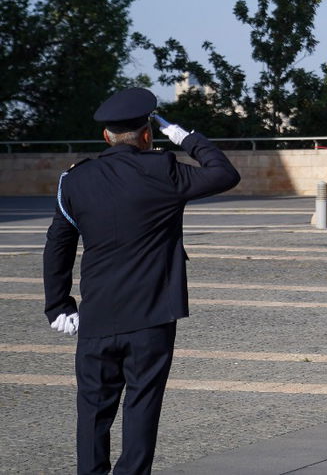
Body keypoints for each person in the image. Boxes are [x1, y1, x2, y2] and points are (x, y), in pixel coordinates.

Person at [43, 86, 241, 475]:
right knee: (141, 408)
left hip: (97, 316)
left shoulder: (75, 180)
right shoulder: (162, 170)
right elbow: (225, 174)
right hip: (151, 316)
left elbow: (57, 245)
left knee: (92, 413)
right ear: (147, 134)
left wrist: (58, 305)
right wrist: (186, 137)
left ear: (105, 136)